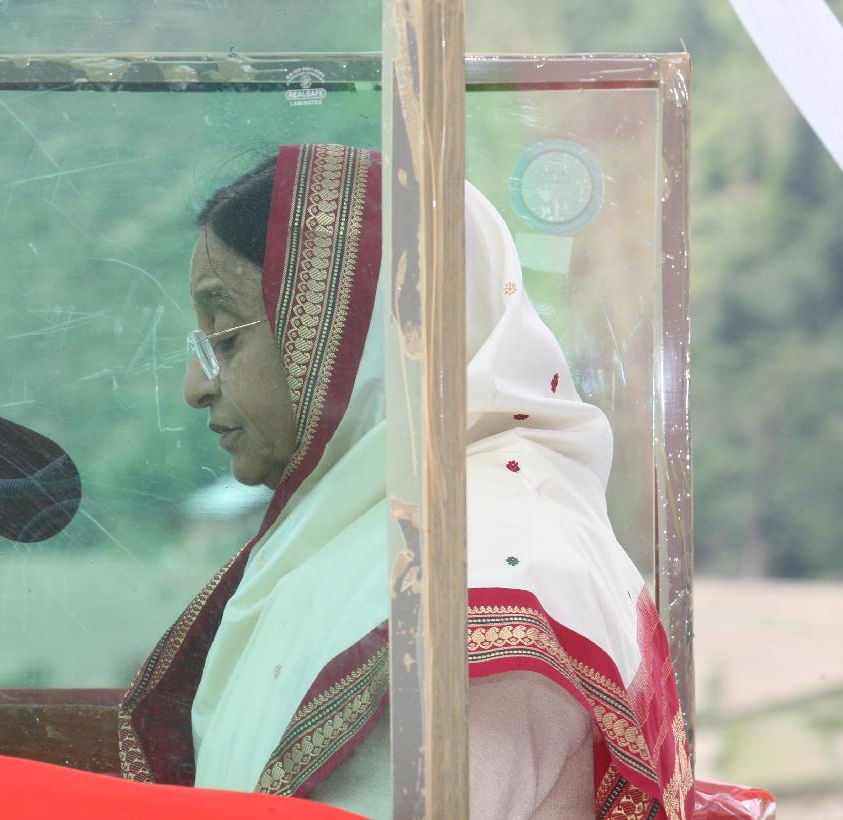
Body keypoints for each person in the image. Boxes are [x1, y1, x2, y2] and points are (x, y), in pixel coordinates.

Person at [118, 144, 691, 819]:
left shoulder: (481, 572)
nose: (195, 387)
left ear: (361, 335)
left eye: (226, 338)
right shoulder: (369, 531)